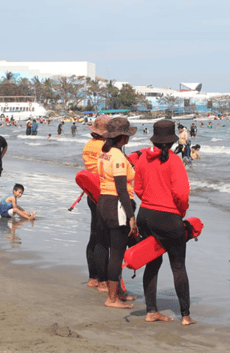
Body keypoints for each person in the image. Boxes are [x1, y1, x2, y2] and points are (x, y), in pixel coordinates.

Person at [134, 120, 195, 325]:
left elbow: (138, 189)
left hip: (145, 215)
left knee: (152, 262)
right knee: (178, 266)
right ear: (171, 140)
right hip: (168, 217)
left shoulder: (143, 159)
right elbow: (181, 193)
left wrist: (150, 201)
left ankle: (151, 311)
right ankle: (185, 316)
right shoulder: (174, 161)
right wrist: (180, 212)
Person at [96, 117, 138, 309]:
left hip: (103, 201)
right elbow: (122, 189)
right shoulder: (119, 157)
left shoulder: (104, 153)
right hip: (117, 205)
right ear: (122, 137)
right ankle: (112, 299)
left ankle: (118, 293)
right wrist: (131, 217)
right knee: (117, 253)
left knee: (115, 249)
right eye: (127, 135)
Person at [81, 115, 111, 290]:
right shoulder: (106, 147)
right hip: (105, 191)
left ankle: (93, 277)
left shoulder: (88, 146)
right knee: (103, 238)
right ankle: (102, 280)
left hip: (91, 190)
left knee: (94, 234)